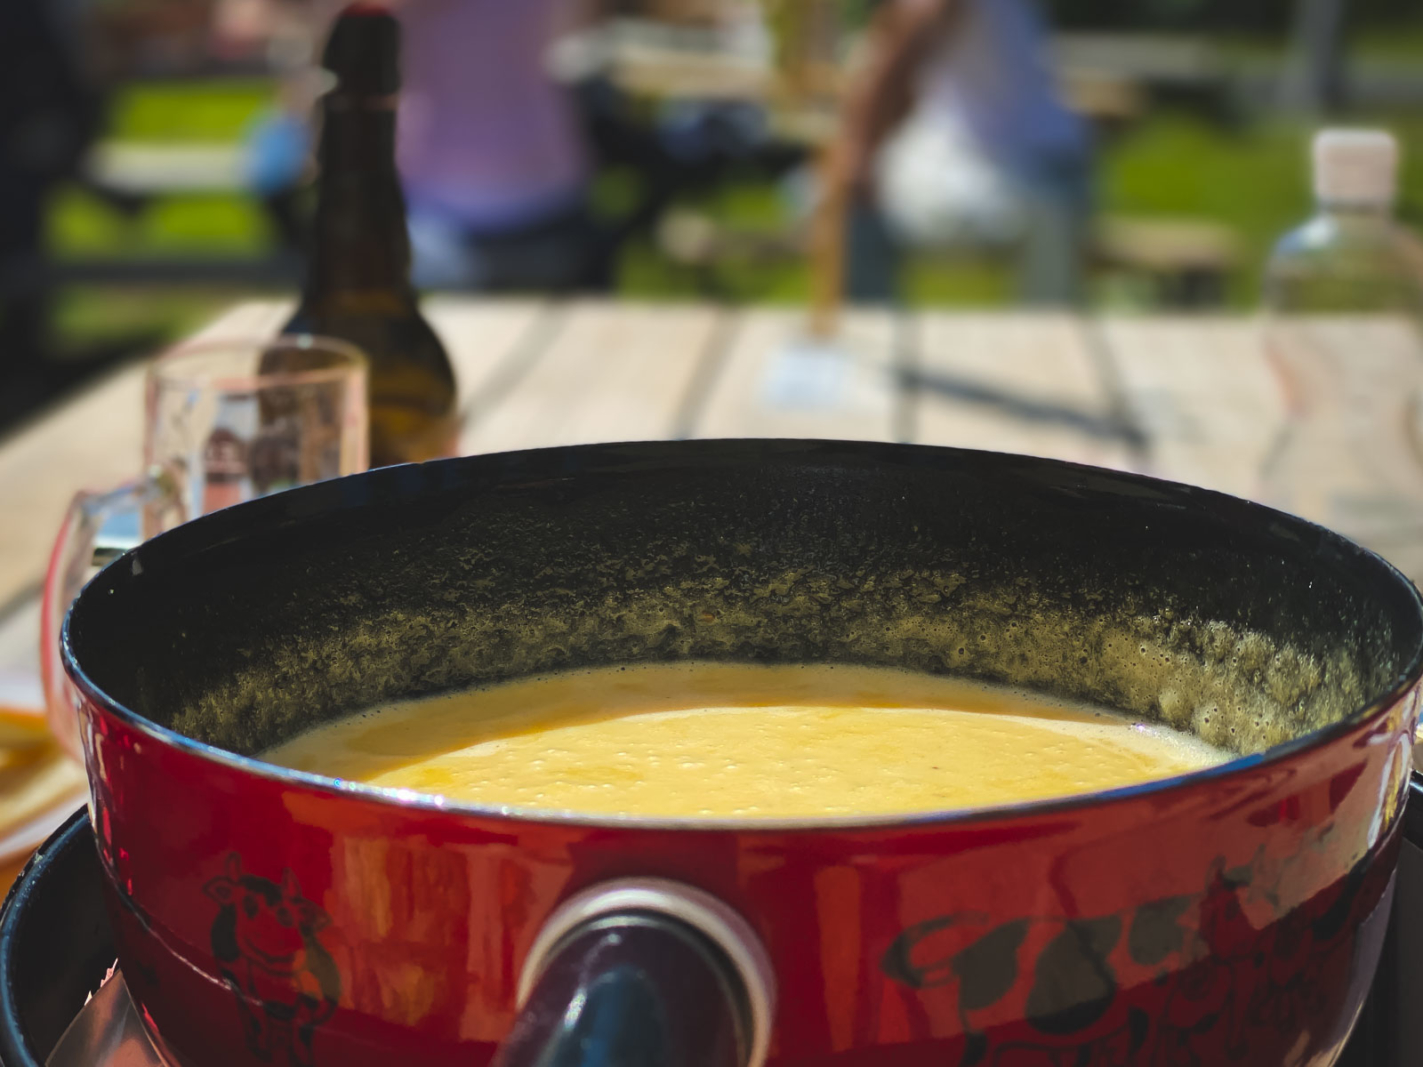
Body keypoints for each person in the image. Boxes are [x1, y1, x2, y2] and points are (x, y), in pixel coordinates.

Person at [827, 0, 1092, 306]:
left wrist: (859, 149)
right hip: (1058, 177)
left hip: (1013, 183)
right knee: (831, 195)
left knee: (843, 203)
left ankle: (871, 339)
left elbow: (907, 45)